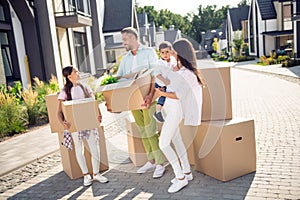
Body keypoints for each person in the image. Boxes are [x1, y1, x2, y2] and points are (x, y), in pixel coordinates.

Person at [155, 38, 205, 193]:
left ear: (180, 54)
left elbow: (178, 95)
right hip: (169, 109)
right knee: (176, 140)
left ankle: (180, 177)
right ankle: (187, 172)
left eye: (172, 52)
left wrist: (161, 93)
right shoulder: (175, 67)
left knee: (163, 144)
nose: (170, 55)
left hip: (175, 110)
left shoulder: (187, 73)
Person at [116, 27, 165, 178]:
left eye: (125, 39)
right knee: (143, 131)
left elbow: (155, 76)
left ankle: (160, 163)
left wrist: (150, 95)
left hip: (149, 98)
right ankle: (150, 160)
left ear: (133, 38)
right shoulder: (126, 59)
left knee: (150, 131)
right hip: (133, 101)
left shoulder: (149, 52)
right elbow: (120, 78)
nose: (123, 42)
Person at [57, 66, 108, 186]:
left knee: (94, 148)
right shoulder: (65, 91)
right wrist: (62, 122)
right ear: (69, 76)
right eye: (75, 71)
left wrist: (99, 115)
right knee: (79, 150)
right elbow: (59, 112)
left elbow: (94, 103)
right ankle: (86, 175)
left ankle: (96, 174)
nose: (77, 72)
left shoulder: (84, 87)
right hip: (75, 125)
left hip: (88, 122)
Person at [153, 41, 177, 123]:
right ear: (159, 53)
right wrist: (164, 80)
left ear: (171, 51)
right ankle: (157, 111)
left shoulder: (173, 60)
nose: (165, 54)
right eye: (162, 52)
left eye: (167, 52)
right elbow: (157, 74)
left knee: (169, 95)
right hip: (160, 83)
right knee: (162, 96)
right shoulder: (159, 63)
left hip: (169, 83)